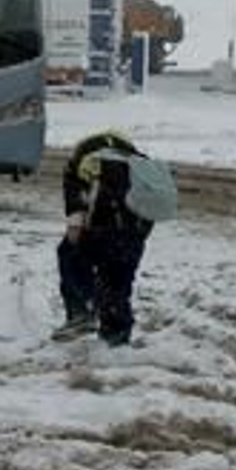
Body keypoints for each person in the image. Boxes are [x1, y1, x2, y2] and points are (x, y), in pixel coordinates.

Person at [53, 131, 167, 346]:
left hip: (100, 229)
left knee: (70, 256)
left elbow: (74, 196)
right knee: (117, 285)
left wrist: (76, 228)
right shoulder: (142, 165)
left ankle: (82, 311)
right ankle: (116, 338)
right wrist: (137, 238)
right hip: (133, 236)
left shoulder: (82, 161)